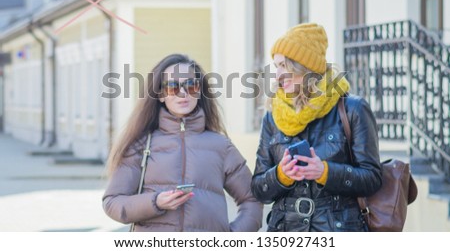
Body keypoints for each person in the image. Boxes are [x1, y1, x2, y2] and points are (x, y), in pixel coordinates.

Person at [103, 54, 263, 232]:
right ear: (160, 95)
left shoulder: (221, 146)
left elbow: (252, 200)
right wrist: (155, 202)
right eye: (172, 87)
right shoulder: (141, 146)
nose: (183, 93)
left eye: (191, 86)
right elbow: (113, 203)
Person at [251, 23, 382, 232]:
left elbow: (373, 178)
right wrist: (281, 175)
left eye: (284, 66)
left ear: (305, 67)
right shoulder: (272, 116)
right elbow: (258, 189)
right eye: (276, 66)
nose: (277, 75)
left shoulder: (352, 109)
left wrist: (325, 172)